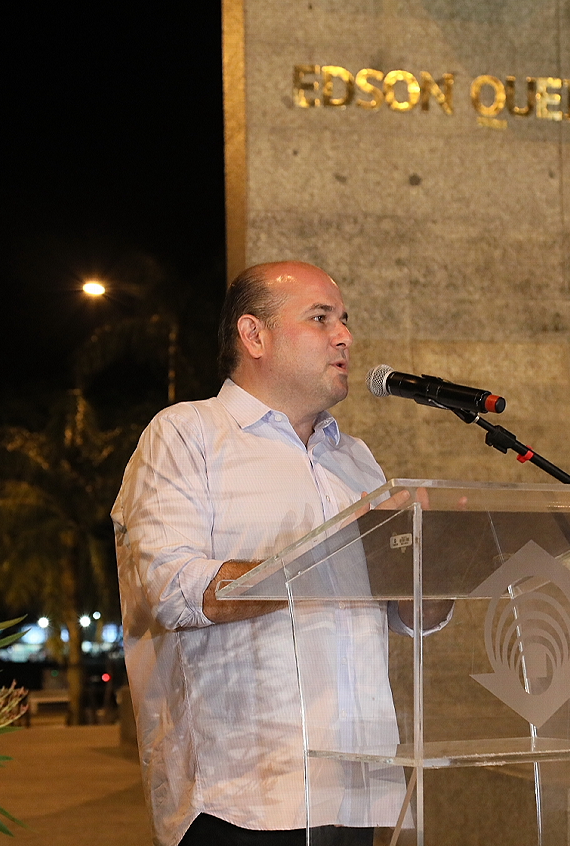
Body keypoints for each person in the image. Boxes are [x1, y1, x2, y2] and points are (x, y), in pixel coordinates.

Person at [113, 261, 405, 846]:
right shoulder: (187, 433)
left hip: (357, 789)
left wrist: (440, 561)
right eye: (320, 318)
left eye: (344, 320)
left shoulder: (355, 458)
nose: (344, 337)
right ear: (254, 335)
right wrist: (325, 564)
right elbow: (173, 589)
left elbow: (401, 608)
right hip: (240, 798)